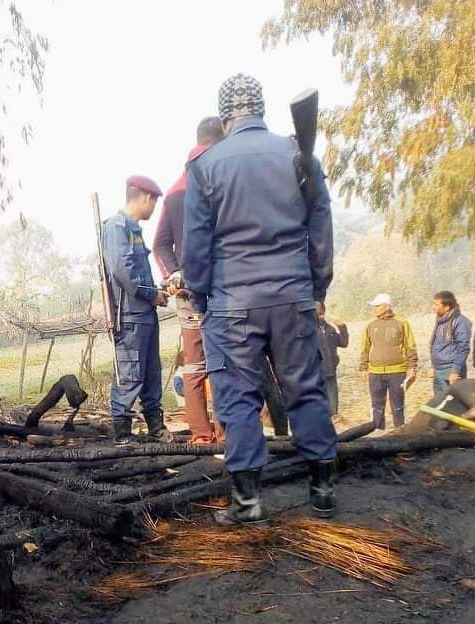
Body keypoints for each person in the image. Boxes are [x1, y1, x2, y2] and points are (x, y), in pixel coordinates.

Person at [182, 73, 337, 524]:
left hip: (233, 305)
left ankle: (249, 503)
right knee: (305, 390)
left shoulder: (206, 166)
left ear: (226, 114)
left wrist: (202, 297)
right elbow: (320, 227)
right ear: (261, 109)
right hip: (293, 296)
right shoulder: (297, 155)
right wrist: (317, 287)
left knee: (237, 398)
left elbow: (196, 246)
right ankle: (323, 491)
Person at [154, 116, 226, 444]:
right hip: (222, 288)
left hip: (186, 290)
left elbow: (159, 244)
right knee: (225, 359)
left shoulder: (175, 189)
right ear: (220, 140)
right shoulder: (223, 176)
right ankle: (228, 432)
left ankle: (201, 435)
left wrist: (174, 273)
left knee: (195, 363)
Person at [101, 175, 173, 446]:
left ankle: (156, 427)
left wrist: (158, 290)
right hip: (129, 316)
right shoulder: (117, 227)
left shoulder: (132, 229)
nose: (154, 208)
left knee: (152, 372)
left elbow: (138, 272)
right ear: (146, 198)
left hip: (144, 315)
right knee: (129, 373)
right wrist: (151, 293)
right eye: (154, 202)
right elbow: (123, 271)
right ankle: (122, 434)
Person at [359, 294, 418, 430]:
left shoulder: (402, 323)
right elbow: (365, 348)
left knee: (398, 405)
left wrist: (412, 367)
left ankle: (400, 431)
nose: (374, 308)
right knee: (377, 405)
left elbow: (410, 346)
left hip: (397, 371)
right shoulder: (370, 325)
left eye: (377, 306)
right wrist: (363, 367)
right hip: (375, 372)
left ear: (387, 306)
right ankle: (377, 432)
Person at [429, 291, 472, 395]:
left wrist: (455, 371)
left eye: (436, 304)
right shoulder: (440, 321)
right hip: (438, 370)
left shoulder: (460, 322)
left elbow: (463, 348)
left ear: (447, 307)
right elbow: (437, 346)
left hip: (450, 369)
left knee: (454, 403)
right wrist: (433, 366)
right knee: (439, 403)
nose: (433, 307)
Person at [316, 302, 349, 418]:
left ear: (324, 312)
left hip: (331, 370)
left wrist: (342, 327)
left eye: (321, 313)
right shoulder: (308, 330)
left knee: (333, 402)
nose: (320, 317)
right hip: (315, 372)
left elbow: (343, 343)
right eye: (316, 314)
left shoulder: (330, 329)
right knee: (318, 400)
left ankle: (334, 417)